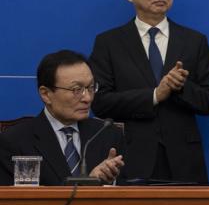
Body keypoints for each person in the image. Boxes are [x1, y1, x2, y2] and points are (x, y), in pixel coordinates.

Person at [89, 0, 209, 184]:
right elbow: (100, 103)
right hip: (129, 160)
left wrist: (180, 87)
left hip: (185, 163)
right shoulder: (108, 43)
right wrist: (155, 95)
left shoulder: (194, 41)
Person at [0, 50, 125, 186]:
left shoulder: (108, 134)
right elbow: (12, 198)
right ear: (46, 94)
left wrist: (110, 180)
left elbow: (129, 191)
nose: (87, 98)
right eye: (76, 89)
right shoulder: (15, 142)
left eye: (90, 87)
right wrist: (88, 184)